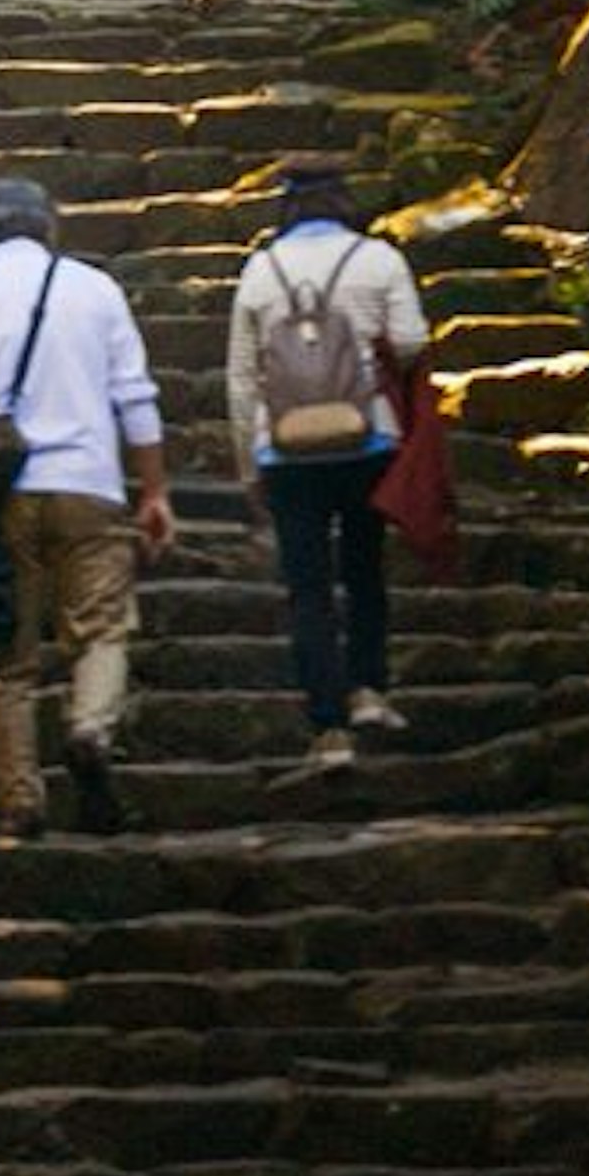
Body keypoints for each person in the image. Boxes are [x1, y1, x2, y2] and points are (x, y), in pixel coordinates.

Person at [0, 173, 174, 837]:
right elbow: (135, 397)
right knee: (102, 627)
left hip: (1, 495)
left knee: (10, 649)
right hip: (89, 482)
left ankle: (22, 797)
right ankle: (89, 726)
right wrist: (153, 490)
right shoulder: (96, 290)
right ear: (50, 228)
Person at [226, 150, 433, 775]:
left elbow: (241, 378)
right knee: (365, 567)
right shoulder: (377, 259)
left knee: (308, 589)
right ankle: (369, 689)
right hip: (367, 437)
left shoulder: (260, 271)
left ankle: (328, 728)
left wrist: (248, 463)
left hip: (286, 449)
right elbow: (412, 341)